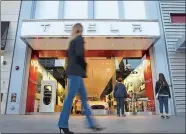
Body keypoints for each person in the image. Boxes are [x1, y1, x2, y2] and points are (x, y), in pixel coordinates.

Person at [58, 23, 104, 134]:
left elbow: (70, 58)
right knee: (70, 98)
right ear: (80, 30)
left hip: (74, 73)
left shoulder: (71, 42)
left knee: (84, 98)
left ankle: (91, 123)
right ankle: (62, 124)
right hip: (76, 73)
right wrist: (84, 65)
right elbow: (79, 54)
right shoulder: (79, 40)